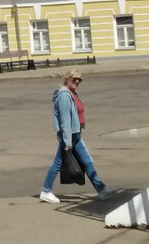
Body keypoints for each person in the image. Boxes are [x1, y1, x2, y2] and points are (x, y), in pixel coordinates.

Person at [39, 69, 111, 204]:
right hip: (69, 135)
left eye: (79, 79)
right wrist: (67, 142)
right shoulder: (64, 96)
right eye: (74, 79)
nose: (77, 81)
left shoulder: (72, 94)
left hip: (75, 134)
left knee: (87, 161)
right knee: (59, 162)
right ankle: (46, 191)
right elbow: (65, 120)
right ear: (67, 79)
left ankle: (101, 189)